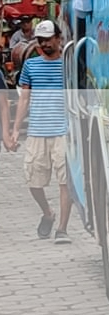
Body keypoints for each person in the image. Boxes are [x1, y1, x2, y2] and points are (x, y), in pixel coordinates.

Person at [6, 21, 74, 242]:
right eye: (41, 40)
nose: (45, 43)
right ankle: (48, 213)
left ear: (58, 38)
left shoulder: (69, 63)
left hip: (63, 131)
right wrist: (16, 130)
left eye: (48, 39)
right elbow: (24, 99)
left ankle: (62, 228)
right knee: (34, 182)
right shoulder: (31, 66)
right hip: (37, 130)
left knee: (66, 182)